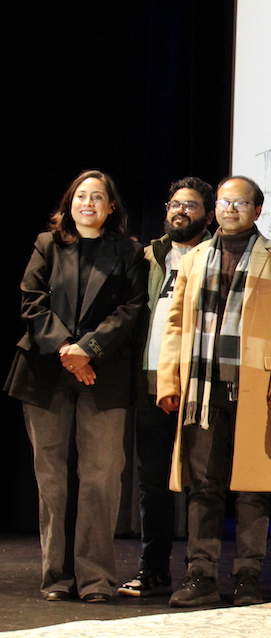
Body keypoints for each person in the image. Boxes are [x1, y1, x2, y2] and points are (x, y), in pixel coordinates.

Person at [6, 171, 147, 603]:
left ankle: (96, 580)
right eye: (81, 196)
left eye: (97, 196)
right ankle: (57, 577)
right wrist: (67, 349)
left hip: (104, 375)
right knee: (52, 480)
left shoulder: (128, 251)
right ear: (70, 203)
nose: (88, 202)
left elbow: (132, 307)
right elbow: (32, 300)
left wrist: (88, 350)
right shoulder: (47, 245)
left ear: (110, 207)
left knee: (102, 478)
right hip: (46, 372)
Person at [157, 175, 271, 607]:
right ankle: (200, 574)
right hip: (202, 389)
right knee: (204, 486)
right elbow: (176, 322)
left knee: (253, 488)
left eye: (240, 203)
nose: (230, 209)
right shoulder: (195, 257)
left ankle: (248, 577)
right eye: (223, 202)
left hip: (257, 387)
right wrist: (168, 380)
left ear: (258, 210)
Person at [119, 177, 215, 599]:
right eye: (176, 204)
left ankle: (201, 573)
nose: (181, 212)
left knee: (203, 482)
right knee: (152, 483)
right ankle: (153, 568)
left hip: (202, 383)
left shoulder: (220, 254)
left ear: (208, 214)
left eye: (191, 206)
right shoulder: (148, 255)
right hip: (150, 379)